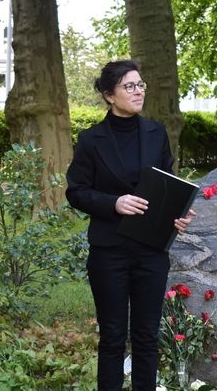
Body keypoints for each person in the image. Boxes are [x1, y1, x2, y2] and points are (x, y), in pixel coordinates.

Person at [65, 60, 195, 390]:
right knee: (112, 338)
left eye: (141, 85)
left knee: (147, 337)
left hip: (151, 250)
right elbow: (76, 192)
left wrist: (178, 214)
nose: (138, 92)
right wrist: (114, 203)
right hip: (109, 251)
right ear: (109, 95)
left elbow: (167, 185)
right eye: (130, 86)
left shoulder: (156, 133)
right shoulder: (91, 140)